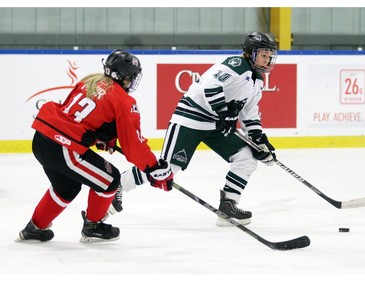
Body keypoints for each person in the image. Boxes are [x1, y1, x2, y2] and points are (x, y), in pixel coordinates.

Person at [109, 31, 278, 226]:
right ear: (250, 53)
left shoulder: (257, 80)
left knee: (246, 158)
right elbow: (210, 86)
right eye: (263, 55)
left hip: (215, 124)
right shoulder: (236, 65)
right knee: (168, 168)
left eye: (269, 56)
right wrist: (224, 112)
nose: (267, 60)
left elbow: (249, 112)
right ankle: (120, 184)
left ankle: (228, 205)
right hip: (190, 119)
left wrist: (258, 139)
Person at [18, 49, 174, 243]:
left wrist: (103, 139)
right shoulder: (124, 101)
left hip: (42, 140)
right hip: (64, 148)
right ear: (122, 75)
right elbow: (133, 145)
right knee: (110, 179)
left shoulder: (89, 82)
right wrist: (154, 168)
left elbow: (77, 118)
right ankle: (93, 226)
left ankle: (34, 229)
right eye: (132, 76)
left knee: (66, 188)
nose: (133, 81)